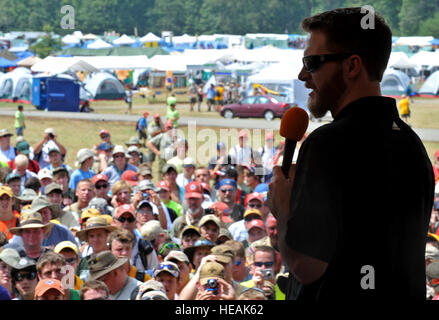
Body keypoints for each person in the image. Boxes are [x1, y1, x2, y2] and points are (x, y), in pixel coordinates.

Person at [267, 7, 435, 300]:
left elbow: (306, 266)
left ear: (352, 66)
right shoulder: (413, 145)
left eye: (312, 62)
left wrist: (283, 210)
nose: (303, 75)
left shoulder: (326, 144)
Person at [76, 216, 116, 281]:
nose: (95, 239)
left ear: (107, 236)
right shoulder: (83, 262)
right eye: (91, 236)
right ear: (87, 239)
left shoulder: (115, 260)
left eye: (99, 235)